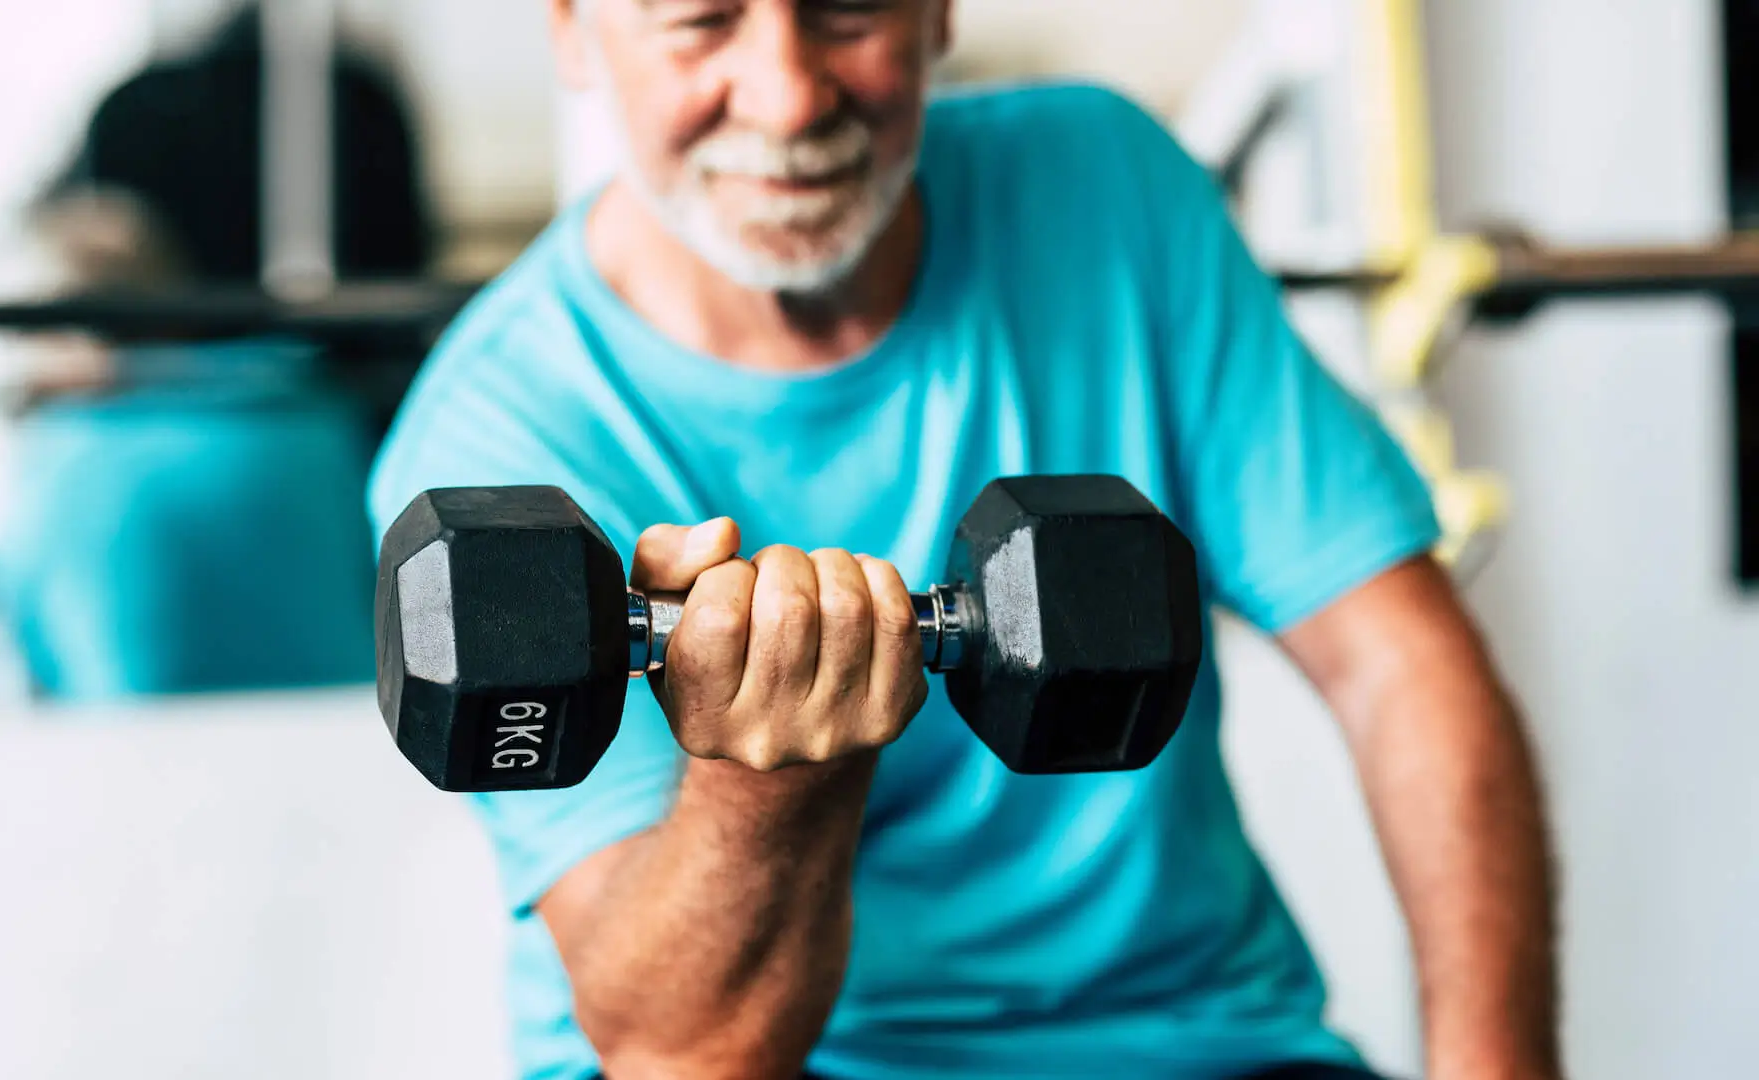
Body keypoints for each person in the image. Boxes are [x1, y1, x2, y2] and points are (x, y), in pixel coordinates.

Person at [367, 3, 1560, 1079]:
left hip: (1198, 1047)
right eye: (703, 21)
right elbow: (686, 1052)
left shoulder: (1108, 187)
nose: (787, 95)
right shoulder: (493, 434)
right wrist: (774, 775)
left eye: (846, 11)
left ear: (938, 12)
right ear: (575, 30)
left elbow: (1399, 664)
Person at [0, 5, 431, 699]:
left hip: (143, 761)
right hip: (366, 728)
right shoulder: (323, 423)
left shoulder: (66, 467)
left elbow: (28, 660)